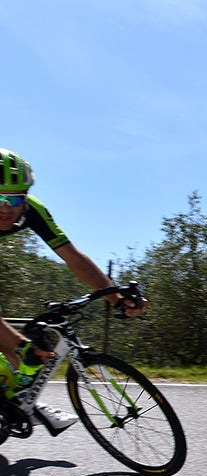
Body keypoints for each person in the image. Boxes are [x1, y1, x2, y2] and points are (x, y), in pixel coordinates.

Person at [0, 147, 147, 434]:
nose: (6, 207)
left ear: (25, 197)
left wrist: (116, 298)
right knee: (22, 346)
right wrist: (19, 344)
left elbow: (73, 258)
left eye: (14, 198)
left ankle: (21, 403)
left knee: (31, 349)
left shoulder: (33, 211)